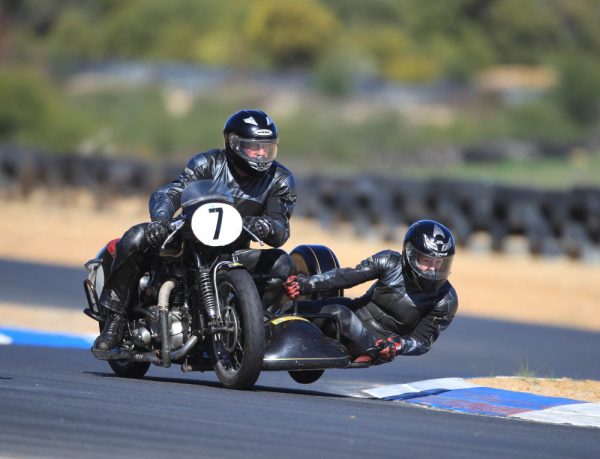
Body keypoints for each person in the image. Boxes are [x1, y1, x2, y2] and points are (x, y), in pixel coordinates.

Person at [93, 109, 297, 352]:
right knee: (136, 237)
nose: (262, 154)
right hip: (188, 241)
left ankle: (255, 328)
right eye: (254, 147)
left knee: (281, 263)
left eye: (267, 147)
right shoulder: (206, 163)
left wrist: (264, 225)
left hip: (233, 252)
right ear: (233, 144)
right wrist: (161, 220)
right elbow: (171, 192)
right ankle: (115, 321)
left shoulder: (280, 179)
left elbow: (280, 227)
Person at [282, 220, 458, 364]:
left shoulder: (446, 300)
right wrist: (305, 284)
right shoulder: (388, 261)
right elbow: (346, 277)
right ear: (411, 255)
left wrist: (396, 346)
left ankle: (363, 348)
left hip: (380, 343)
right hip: (355, 311)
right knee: (291, 310)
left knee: (336, 312)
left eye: (439, 263)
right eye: (427, 261)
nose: (432, 269)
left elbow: (422, 341)